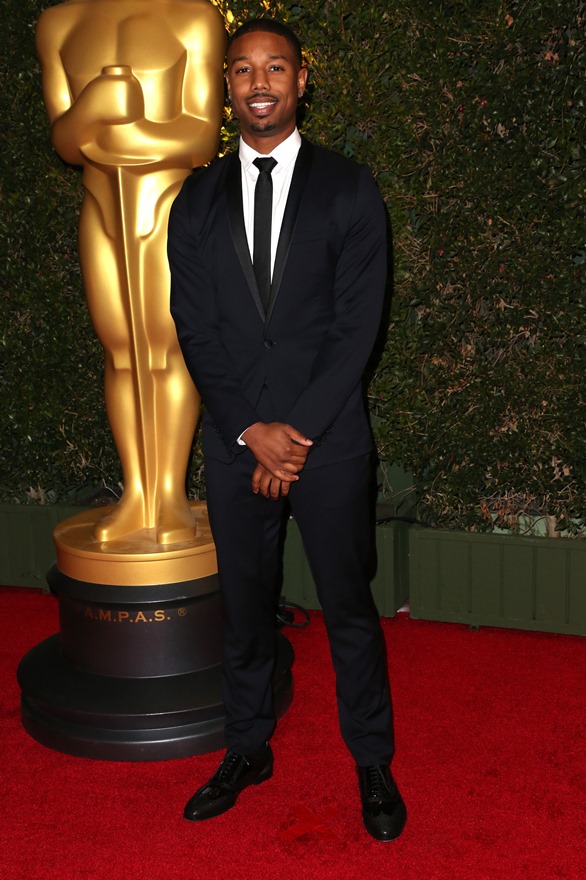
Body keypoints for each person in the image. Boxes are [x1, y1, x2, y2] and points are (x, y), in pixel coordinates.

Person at [168, 18, 406, 841]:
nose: (259, 82)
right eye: (243, 69)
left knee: (347, 607)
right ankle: (246, 747)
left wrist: (293, 433)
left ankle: (371, 759)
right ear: (227, 86)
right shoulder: (195, 199)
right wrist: (248, 430)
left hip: (327, 441)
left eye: (275, 67)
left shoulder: (349, 187)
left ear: (302, 79)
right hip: (236, 445)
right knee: (243, 608)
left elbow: (357, 327)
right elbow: (194, 327)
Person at [35, 0, 226, 545]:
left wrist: (127, 132)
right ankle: (138, 492)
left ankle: (169, 493)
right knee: (119, 349)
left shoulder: (193, 18)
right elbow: (65, 139)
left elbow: (200, 137)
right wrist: (94, 106)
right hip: (101, 206)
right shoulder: (60, 24)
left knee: (168, 346)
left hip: (167, 207)